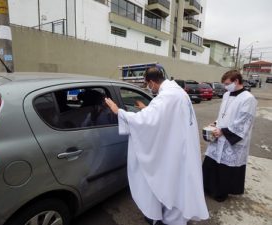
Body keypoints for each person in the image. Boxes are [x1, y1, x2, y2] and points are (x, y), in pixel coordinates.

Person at [105, 67, 209, 225]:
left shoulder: (166, 96)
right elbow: (168, 117)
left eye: (148, 85)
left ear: (152, 82)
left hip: (175, 149)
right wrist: (148, 109)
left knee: (172, 184)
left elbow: (144, 121)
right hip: (182, 146)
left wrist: (118, 111)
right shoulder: (178, 91)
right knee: (179, 185)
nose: (149, 88)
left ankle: (171, 220)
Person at [202, 70, 257, 202]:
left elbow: (244, 121)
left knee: (225, 168)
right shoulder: (227, 95)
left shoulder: (248, 98)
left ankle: (219, 193)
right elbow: (223, 114)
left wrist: (224, 131)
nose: (225, 87)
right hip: (219, 134)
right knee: (211, 161)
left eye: (227, 84)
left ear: (236, 81)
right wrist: (216, 123)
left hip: (231, 138)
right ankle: (206, 188)